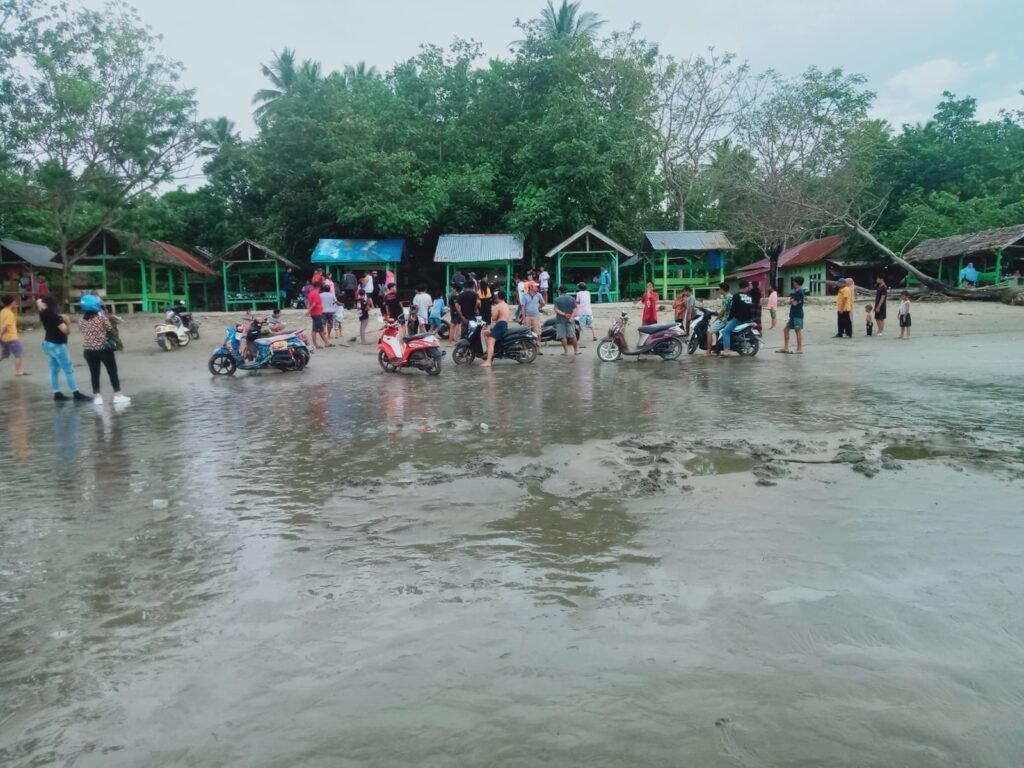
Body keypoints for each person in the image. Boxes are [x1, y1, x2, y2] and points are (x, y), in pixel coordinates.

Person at [79, 294, 130, 405]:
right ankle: (117, 395)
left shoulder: (81, 321)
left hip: (88, 351)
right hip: (103, 349)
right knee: (112, 371)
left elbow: (84, 331)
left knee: (94, 373)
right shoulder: (101, 318)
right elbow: (110, 329)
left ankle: (97, 397)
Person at [36, 295, 89, 402]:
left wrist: (40, 302)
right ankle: (76, 393)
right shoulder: (55, 317)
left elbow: (38, 302)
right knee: (68, 370)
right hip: (58, 345)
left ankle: (57, 393)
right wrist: (68, 322)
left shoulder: (43, 314)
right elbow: (66, 331)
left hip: (47, 344)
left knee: (54, 370)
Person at [720, 280, 754, 356]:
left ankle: (726, 350)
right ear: (746, 287)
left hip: (739, 319)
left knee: (725, 332)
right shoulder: (749, 296)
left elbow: (733, 309)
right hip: (749, 319)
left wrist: (729, 319)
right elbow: (751, 308)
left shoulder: (736, 295)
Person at [481, 290, 511, 368]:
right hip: (503, 324)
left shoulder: (498, 306)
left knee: (491, 341)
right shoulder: (505, 305)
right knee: (486, 333)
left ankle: (488, 361)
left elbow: (494, 318)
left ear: (498, 297)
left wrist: (493, 314)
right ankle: (489, 353)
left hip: (500, 325)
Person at [777, 276, 805, 354]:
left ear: (796, 282)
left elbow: (795, 303)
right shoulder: (796, 291)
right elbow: (792, 301)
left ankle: (799, 349)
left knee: (797, 330)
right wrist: (791, 301)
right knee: (786, 329)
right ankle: (786, 348)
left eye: (794, 281)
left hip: (798, 314)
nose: (793, 283)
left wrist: (790, 301)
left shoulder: (799, 292)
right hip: (793, 314)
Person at [1, 294, 27, 377]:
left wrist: (15, 310)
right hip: (11, 338)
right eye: (14, 301)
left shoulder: (3, 311)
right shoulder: (9, 313)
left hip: (4, 338)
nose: (16, 302)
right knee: (18, 353)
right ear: (11, 302)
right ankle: (18, 371)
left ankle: (18, 370)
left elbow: (13, 320)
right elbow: (5, 326)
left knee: (5, 354)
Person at [705, 282, 732, 357]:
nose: (719, 291)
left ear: (723, 290)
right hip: (730, 318)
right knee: (717, 332)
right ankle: (717, 350)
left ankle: (708, 351)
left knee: (709, 332)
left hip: (724, 319)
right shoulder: (731, 296)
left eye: (720, 289)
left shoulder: (726, 298)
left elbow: (723, 311)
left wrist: (716, 319)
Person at [553, 286, 580, 356]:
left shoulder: (557, 299)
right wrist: (571, 316)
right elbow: (575, 309)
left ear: (559, 291)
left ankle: (566, 352)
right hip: (570, 320)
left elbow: (556, 309)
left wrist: (565, 314)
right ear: (566, 291)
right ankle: (576, 351)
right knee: (573, 335)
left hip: (560, 320)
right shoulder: (571, 298)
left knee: (563, 336)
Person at [520, 281, 544, 352]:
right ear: (530, 287)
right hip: (527, 317)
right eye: (535, 286)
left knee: (538, 333)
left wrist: (537, 307)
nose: (537, 287)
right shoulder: (525, 296)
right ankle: (527, 348)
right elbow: (523, 308)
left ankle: (538, 349)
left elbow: (543, 303)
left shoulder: (538, 295)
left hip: (536, 317)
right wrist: (524, 318)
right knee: (527, 333)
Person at [306, 280, 330, 349]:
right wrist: (309, 311)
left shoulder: (310, 293)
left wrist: (309, 310)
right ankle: (315, 344)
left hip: (314, 313)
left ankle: (327, 343)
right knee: (316, 330)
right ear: (318, 287)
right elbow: (314, 304)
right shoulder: (316, 293)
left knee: (320, 329)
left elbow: (309, 303)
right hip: (316, 313)